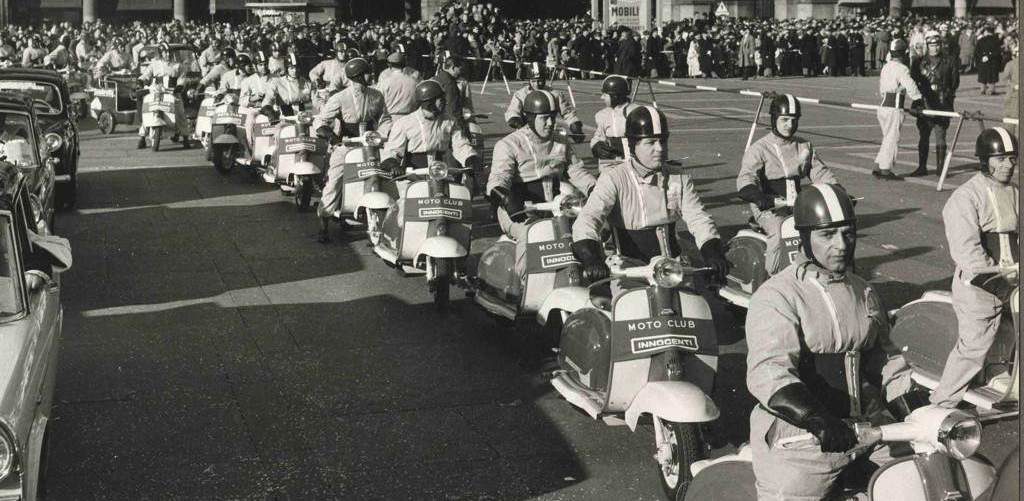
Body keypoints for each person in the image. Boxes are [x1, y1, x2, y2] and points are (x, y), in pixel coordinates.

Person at [745, 182, 915, 500]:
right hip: (800, 438)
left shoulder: (862, 289)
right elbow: (769, 372)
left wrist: (916, 409)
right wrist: (816, 418)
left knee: (921, 479)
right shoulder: (778, 295)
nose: (840, 245)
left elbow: (885, 361)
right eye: (827, 235)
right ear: (805, 237)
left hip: (868, 429)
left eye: (847, 233)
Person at [571, 106, 728, 284]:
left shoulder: (678, 176)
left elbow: (699, 219)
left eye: (663, 141)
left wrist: (712, 252)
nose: (660, 148)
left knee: (707, 307)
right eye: (650, 142)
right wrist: (592, 259)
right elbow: (587, 220)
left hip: (673, 269)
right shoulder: (613, 178)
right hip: (629, 270)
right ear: (632, 145)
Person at [930, 127, 1018, 408]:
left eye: (1012, 158)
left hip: (1013, 279)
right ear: (985, 159)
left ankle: (996, 372)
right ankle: (941, 404)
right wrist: (999, 281)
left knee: (1008, 332)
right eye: (1000, 158)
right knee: (973, 346)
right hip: (978, 283)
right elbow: (966, 251)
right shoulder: (966, 197)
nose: (1008, 165)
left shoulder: (1016, 193)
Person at [737, 94, 838, 276]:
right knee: (779, 231)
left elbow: (820, 173)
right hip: (769, 207)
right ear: (774, 119)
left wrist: (838, 191)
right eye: (784, 120)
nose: (789, 125)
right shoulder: (760, 148)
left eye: (794, 120)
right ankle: (772, 278)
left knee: (824, 230)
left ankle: (820, 272)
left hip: (798, 204)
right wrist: (759, 197)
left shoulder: (804, 146)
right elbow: (746, 179)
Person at [376, 80, 482, 245]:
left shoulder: (449, 121)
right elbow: (393, 150)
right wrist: (393, 164)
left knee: (455, 209)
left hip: (442, 173)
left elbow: (460, 144)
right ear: (429, 102)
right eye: (440, 98)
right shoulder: (404, 123)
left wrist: (471, 158)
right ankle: (401, 244)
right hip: (413, 175)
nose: (444, 101)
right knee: (406, 213)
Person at [487, 89, 597, 242]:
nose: (551, 123)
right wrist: (505, 198)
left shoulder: (560, 141)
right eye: (545, 118)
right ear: (530, 118)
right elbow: (499, 178)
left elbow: (576, 170)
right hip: (520, 210)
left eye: (553, 117)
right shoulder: (508, 144)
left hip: (556, 207)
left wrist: (594, 188)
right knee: (532, 238)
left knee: (587, 234)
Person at [314, 57, 393, 243]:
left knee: (386, 173)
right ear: (356, 76)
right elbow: (321, 120)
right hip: (346, 144)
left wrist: (382, 134)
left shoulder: (376, 95)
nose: (369, 75)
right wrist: (328, 134)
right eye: (366, 72)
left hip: (371, 144)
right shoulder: (339, 97)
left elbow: (385, 118)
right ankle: (324, 220)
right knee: (335, 179)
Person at [909, 31, 959, 177]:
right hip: (924, 102)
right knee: (923, 135)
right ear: (927, 45)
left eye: (937, 45)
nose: (935, 48)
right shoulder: (919, 62)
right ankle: (922, 166)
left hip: (942, 102)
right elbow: (914, 80)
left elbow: (955, 82)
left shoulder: (949, 60)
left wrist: (946, 94)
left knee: (940, 135)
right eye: (932, 45)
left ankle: (940, 168)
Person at [874, 39, 923, 180]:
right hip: (893, 108)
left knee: (887, 138)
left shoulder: (886, 67)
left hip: (883, 107)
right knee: (892, 138)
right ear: (903, 54)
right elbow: (911, 85)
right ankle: (885, 169)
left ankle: (879, 165)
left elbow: (882, 89)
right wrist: (917, 98)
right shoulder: (902, 68)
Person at [505, 62, 583, 143]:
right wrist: (516, 121)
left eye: (540, 81)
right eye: (533, 81)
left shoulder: (555, 94)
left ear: (545, 80)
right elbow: (512, 111)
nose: (537, 84)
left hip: (548, 132)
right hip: (526, 133)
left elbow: (568, 113)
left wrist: (576, 129)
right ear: (529, 81)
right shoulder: (520, 94)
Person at [137, 46, 191, 149]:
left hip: (172, 91)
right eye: (165, 53)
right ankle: (142, 137)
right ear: (160, 53)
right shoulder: (154, 64)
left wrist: (180, 85)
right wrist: (140, 80)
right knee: (149, 109)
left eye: (169, 52)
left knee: (180, 113)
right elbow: (146, 74)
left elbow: (182, 78)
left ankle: (185, 138)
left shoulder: (178, 66)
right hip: (157, 90)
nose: (167, 55)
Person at [589, 75, 636, 174]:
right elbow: (598, 135)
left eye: (605, 95)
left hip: (633, 167)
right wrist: (596, 146)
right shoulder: (602, 115)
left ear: (615, 96)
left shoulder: (636, 112)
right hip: (610, 167)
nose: (602, 97)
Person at [309, 41, 350, 111]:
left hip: (341, 92)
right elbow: (312, 72)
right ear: (336, 52)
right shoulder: (327, 63)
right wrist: (317, 80)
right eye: (341, 52)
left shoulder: (348, 66)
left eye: (345, 52)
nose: (343, 54)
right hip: (325, 93)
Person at [975, 26, 1002, 95]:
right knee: (992, 76)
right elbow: (998, 52)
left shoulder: (980, 40)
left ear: (986, 32)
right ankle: (991, 90)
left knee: (983, 75)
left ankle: (982, 89)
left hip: (983, 61)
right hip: (992, 61)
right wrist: (989, 56)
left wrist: (982, 57)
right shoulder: (996, 40)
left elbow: (976, 52)